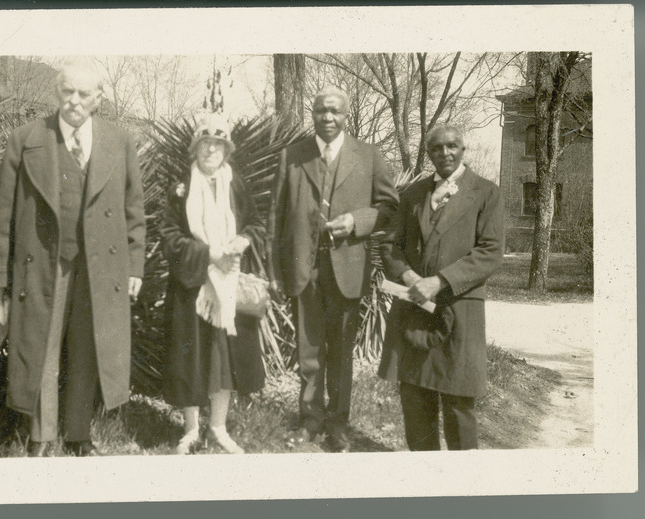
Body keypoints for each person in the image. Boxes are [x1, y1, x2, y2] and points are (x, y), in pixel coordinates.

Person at [0, 58, 145, 457]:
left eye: (84, 93)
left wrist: (135, 266)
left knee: (88, 348)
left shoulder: (120, 141)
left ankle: (78, 435)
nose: (74, 100)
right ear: (57, 92)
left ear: (98, 98)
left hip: (100, 266)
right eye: (67, 91)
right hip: (43, 263)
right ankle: (42, 436)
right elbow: (2, 214)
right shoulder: (26, 139)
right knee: (43, 347)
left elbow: (134, 211)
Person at [267, 86, 398, 452]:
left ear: (346, 115)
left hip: (347, 267)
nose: (328, 118)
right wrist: (274, 271)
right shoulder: (292, 156)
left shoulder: (369, 156)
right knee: (308, 349)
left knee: (341, 351)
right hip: (304, 267)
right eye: (321, 111)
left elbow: (390, 207)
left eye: (335, 112)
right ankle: (309, 419)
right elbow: (274, 218)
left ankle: (338, 423)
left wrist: (357, 221)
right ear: (313, 113)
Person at [377, 124, 504, 451]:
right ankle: (425, 481)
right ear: (429, 153)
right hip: (413, 309)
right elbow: (391, 246)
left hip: (458, 310)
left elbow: (490, 252)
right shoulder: (412, 195)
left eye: (452, 146)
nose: (445, 153)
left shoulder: (486, 192)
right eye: (436, 148)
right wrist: (408, 277)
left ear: (463, 149)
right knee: (415, 400)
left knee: (459, 404)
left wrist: (439, 282)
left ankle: (464, 486)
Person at [160, 114, 266, 455]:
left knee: (224, 359)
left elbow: (255, 223)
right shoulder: (181, 189)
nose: (211, 149)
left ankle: (218, 427)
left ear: (226, 151)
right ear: (195, 148)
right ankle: (190, 429)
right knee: (190, 357)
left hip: (227, 287)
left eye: (217, 144)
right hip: (192, 288)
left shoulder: (236, 185)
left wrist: (243, 240)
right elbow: (169, 238)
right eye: (205, 142)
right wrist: (209, 255)